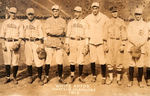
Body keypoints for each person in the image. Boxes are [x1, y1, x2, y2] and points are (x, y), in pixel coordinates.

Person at [84, 2, 109, 84]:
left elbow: (108, 27)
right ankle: (94, 75)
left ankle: (104, 77)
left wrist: (106, 42)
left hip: (101, 42)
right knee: (92, 60)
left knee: (102, 60)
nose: (95, 10)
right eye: (93, 8)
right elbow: (86, 31)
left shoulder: (104, 17)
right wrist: (86, 43)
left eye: (96, 8)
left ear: (99, 8)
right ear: (91, 9)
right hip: (92, 42)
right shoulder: (87, 18)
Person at [104, 6, 126, 85]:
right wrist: (105, 44)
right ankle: (110, 78)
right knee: (109, 60)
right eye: (113, 12)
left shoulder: (121, 21)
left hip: (118, 41)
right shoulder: (108, 22)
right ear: (111, 13)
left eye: (116, 12)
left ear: (118, 12)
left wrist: (123, 44)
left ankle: (118, 79)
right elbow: (105, 34)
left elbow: (124, 34)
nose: (114, 13)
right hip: (110, 41)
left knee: (119, 60)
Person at [65, 6, 88, 83]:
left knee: (81, 59)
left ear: (81, 13)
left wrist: (86, 45)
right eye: (75, 12)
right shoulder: (71, 22)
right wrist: (67, 44)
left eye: (78, 12)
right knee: (72, 59)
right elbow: (67, 34)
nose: (76, 13)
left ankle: (80, 76)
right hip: (72, 41)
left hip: (81, 41)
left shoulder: (84, 22)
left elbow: (87, 35)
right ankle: (72, 75)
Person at [44, 5, 66, 84]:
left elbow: (63, 32)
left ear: (59, 11)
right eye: (54, 11)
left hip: (59, 43)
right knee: (48, 61)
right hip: (50, 42)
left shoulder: (63, 21)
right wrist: (58, 32)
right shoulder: (48, 20)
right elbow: (48, 31)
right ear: (52, 11)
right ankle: (46, 77)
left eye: (57, 10)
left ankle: (60, 77)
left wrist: (56, 33)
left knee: (60, 61)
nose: (55, 12)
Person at [0, 7, 23, 84]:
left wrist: (18, 43)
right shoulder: (5, 22)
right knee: (7, 61)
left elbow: (21, 35)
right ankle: (7, 77)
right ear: (9, 13)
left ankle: (14, 77)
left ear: (16, 13)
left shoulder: (19, 22)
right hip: (7, 42)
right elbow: (2, 35)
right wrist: (3, 44)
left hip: (15, 42)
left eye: (14, 13)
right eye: (11, 12)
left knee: (15, 61)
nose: (13, 14)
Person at [22, 8, 45, 85]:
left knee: (39, 60)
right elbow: (22, 34)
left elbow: (41, 35)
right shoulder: (24, 22)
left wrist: (41, 45)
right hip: (28, 42)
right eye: (29, 14)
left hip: (36, 42)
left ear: (34, 14)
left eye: (31, 14)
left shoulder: (38, 22)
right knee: (28, 60)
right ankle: (30, 76)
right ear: (26, 14)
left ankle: (39, 77)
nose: (30, 15)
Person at [127, 8, 148, 88]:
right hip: (132, 46)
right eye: (136, 14)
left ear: (141, 15)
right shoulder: (131, 24)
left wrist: (139, 44)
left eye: (139, 14)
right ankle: (130, 81)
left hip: (141, 47)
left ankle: (140, 81)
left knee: (140, 64)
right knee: (131, 64)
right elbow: (129, 35)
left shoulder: (145, 24)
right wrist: (134, 43)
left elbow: (145, 36)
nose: (138, 16)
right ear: (134, 15)